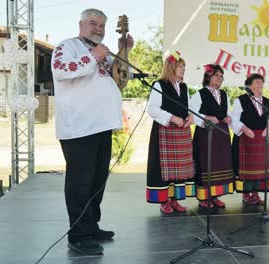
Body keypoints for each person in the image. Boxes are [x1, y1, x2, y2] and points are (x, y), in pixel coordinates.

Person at [51, 8, 133, 254]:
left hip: (102, 125)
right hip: (79, 127)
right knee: (80, 183)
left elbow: (120, 79)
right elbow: (61, 71)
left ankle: (91, 226)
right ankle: (77, 235)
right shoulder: (67, 46)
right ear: (81, 24)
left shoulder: (105, 53)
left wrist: (123, 51)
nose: (98, 28)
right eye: (93, 23)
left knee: (97, 180)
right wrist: (94, 56)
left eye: (102, 25)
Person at [146, 51, 196, 213]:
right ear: (171, 67)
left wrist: (189, 116)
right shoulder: (159, 85)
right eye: (180, 66)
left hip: (182, 131)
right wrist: (173, 118)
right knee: (166, 168)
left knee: (180, 168)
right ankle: (164, 201)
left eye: (184, 67)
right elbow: (152, 109)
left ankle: (175, 199)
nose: (183, 69)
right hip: (165, 131)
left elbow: (186, 107)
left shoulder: (184, 86)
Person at [191, 64, 235, 208]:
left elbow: (228, 113)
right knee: (206, 164)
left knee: (219, 165)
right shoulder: (200, 94)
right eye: (217, 75)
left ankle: (215, 196)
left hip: (221, 134)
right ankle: (204, 198)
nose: (220, 78)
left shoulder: (224, 95)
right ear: (209, 76)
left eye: (222, 76)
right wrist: (206, 118)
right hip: (205, 135)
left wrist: (229, 117)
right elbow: (191, 114)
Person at [231, 74, 269, 205]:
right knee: (246, 169)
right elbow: (234, 119)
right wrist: (244, 129)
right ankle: (246, 194)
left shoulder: (266, 101)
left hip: (261, 139)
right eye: (257, 82)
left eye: (262, 82)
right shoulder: (241, 100)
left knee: (260, 169)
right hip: (245, 138)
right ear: (249, 85)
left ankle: (256, 193)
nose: (260, 84)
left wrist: (268, 127)